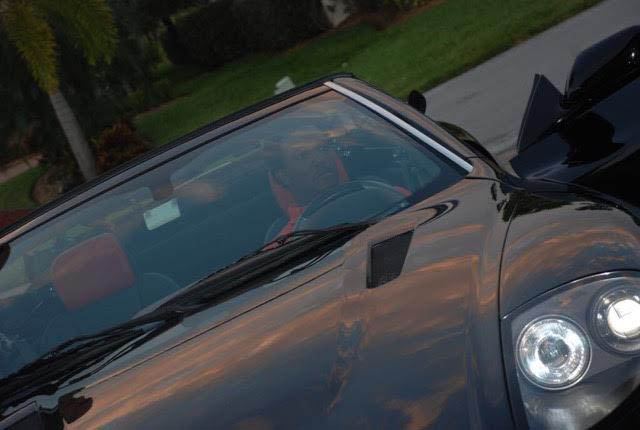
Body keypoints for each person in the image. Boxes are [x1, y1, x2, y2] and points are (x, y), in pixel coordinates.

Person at [265, 127, 349, 242]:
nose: (320, 159)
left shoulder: (372, 194)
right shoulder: (287, 243)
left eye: (323, 149)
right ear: (283, 176)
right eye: (303, 155)